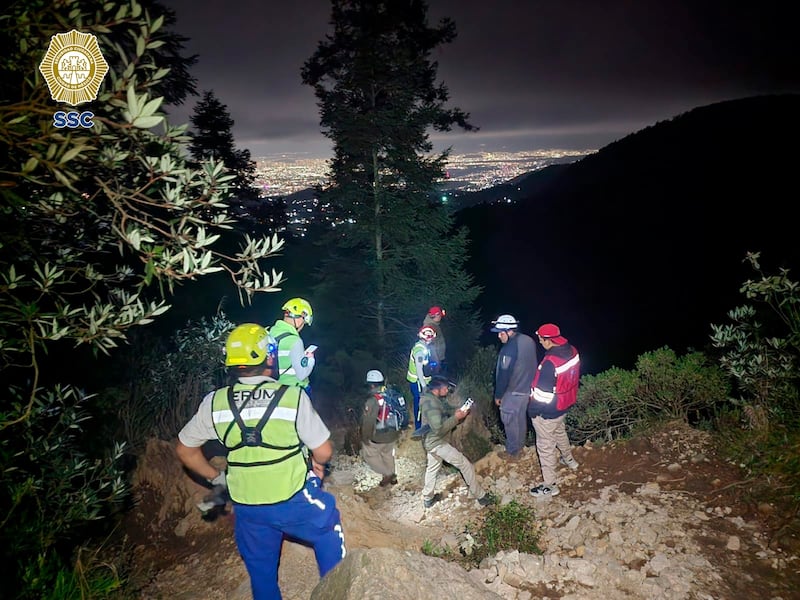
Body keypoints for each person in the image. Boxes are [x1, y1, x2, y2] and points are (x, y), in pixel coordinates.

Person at [175, 323, 345, 599]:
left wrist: (217, 478)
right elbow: (323, 450)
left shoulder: (214, 402)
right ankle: (335, 591)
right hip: (292, 498)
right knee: (328, 528)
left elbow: (185, 450)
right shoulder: (291, 396)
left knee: (261, 573)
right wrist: (318, 467)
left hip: (247, 505)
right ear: (270, 357)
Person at [419, 376, 493, 508]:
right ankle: (481, 496)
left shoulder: (430, 399)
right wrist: (456, 418)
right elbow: (438, 428)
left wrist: (454, 414)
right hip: (437, 443)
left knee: (432, 469)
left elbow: (439, 417)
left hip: (431, 443)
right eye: (446, 388)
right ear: (439, 388)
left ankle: (428, 498)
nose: (447, 390)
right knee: (465, 465)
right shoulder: (430, 403)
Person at [528, 323, 581, 498]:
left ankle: (550, 486)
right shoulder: (572, 351)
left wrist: (533, 411)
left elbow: (542, 395)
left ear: (549, 341)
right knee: (559, 432)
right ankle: (570, 460)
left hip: (548, 412)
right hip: (564, 403)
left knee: (545, 446)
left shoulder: (551, 363)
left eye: (541, 340)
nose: (540, 342)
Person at [490, 314, 538, 460]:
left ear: (509, 331)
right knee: (520, 419)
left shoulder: (509, 348)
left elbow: (504, 374)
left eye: (500, 333)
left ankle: (512, 452)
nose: (498, 336)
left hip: (512, 391)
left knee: (509, 421)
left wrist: (498, 395)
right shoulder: (528, 340)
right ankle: (520, 447)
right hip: (526, 390)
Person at [360, 369, 400, 487]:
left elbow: (368, 421)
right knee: (387, 454)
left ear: (371, 384)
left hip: (379, 435)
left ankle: (388, 474)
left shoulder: (372, 400)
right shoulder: (390, 394)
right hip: (393, 432)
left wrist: (365, 438)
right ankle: (391, 478)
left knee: (369, 455)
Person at [271, 297, 316, 391]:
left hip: (272, 390)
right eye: (304, 321)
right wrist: (310, 360)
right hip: (294, 391)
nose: (303, 325)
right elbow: (302, 374)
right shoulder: (294, 341)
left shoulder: (268, 334)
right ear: (300, 317)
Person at [407, 325, 436, 430]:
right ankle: (418, 428)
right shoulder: (419, 350)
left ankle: (423, 424)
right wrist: (424, 385)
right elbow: (419, 369)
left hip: (422, 380)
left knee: (423, 402)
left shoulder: (424, 347)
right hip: (417, 382)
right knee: (419, 403)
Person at [422, 305, 447, 373]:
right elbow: (430, 344)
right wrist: (436, 360)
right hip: (434, 360)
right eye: (440, 315)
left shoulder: (435, 325)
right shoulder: (430, 327)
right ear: (436, 315)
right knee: (435, 379)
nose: (441, 317)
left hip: (438, 358)